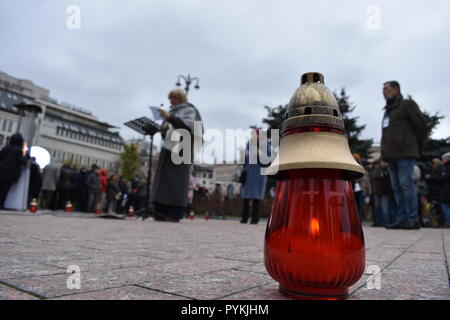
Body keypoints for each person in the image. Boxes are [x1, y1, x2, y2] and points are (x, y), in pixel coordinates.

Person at [149, 88, 203, 222]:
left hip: (182, 149)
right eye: (170, 98)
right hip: (168, 147)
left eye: (174, 98)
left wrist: (169, 117)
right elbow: (168, 130)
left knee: (177, 182)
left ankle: (174, 213)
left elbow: (187, 127)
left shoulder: (189, 110)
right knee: (163, 181)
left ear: (181, 98)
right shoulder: (172, 111)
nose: (172, 101)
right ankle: (160, 211)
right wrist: (163, 129)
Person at [380, 81, 427, 230]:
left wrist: (414, 146)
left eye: (386, 89)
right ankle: (402, 219)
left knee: (406, 185)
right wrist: (384, 154)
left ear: (395, 89)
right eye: (383, 90)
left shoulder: (407, 104)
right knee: (397, 187)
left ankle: (413, 219)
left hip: (406, 153)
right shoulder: (388, 110)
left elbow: (421, 126)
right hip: (391, 155)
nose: (383, 92)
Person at [240, 129, 269, 225]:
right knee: (246, 198)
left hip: (259, 175)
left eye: (254, 134)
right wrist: (242, 156)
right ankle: (244, 218)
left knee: (256, 199)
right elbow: (244, 163)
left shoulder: (266, 146)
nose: (252, 136)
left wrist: (260, 154)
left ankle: (255, 219)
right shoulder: (249, 145)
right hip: (248, 174)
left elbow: (268, 161)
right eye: (252, 134)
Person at [0, 133, 28, 209]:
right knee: (5, 189)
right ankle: (1, 204)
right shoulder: (18, 150)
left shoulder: (6, 147)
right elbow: (22, 161)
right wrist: (26, 159)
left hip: (1, 170)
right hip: (10, 173)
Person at [371, 159, 394, 227]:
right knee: (377, 207)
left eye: (385, 162)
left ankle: (386, 222)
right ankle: (378, 222)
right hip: (377, 191)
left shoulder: (389, 169)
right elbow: (375, 176)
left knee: (384, 206)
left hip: (385, 191)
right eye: (382, 162)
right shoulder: (378, 169)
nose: (383, 163)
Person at [352, 153, 372, 223]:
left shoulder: (361, 168)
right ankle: (356, 220)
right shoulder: (352, 167)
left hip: (360, 189)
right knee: (356, 205)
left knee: (360, 205)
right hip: (354, 188)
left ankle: (359, 220)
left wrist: (369, 191)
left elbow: (367, 181)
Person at [438, 152, 450, 228]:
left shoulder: (447, 166)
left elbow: (446, 177)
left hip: (447, 188)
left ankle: (448, 222)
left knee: (444, 204)